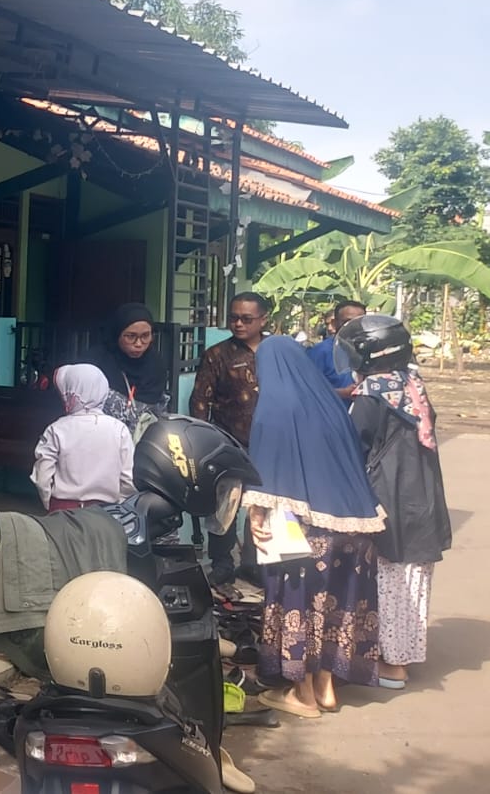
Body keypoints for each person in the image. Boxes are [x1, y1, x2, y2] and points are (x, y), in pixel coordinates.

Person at [244, 336, 386, 717]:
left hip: (307, 530)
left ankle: (302, 694)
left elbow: (266, 469)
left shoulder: (275, 405)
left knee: (300, 603)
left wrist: (255, 515)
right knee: (336, 605)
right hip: (357, 527)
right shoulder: (331, 403)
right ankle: (326, 688)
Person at [339, 315, 452, 690]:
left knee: (390, 579)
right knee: (412, 577)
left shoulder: (372, 394)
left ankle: (392, 663)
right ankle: (403, 653)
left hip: (390, 498)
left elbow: (353, 446)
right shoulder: (410, 382)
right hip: (420, 495)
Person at [190, 292, 272, 584]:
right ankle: (222, 563)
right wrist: (203, 443)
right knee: (225, 504)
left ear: (263, 320)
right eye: (234, 318)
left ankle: (256, 562)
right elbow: (200, 401)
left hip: (271, 443)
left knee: (264, 503)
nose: (238, 324)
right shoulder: (217, 355)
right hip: (229, 442)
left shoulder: (276, 352)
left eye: (246, 319)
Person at [31, 364, 135, 512]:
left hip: (63, 510)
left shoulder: (57, 429)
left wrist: (50, 504)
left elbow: (42, 476)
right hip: (106, 513)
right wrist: (119, 509)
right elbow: (128, 479)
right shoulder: (119, 430)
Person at [92, 302, 170, 433]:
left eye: (145, 336)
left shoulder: (156, 366)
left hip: (144, 440)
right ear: (117, 335)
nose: (138, 343)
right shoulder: (96, 363)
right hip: (103, 437)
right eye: (131, 336)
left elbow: (160, 412)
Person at [308, 300, 367, 398]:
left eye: (359, 322)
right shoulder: (320, 352)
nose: (353, 326)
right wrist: (342, 393)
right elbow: (307, 389)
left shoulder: (370, 350)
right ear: (334, 323)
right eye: (347, 322)